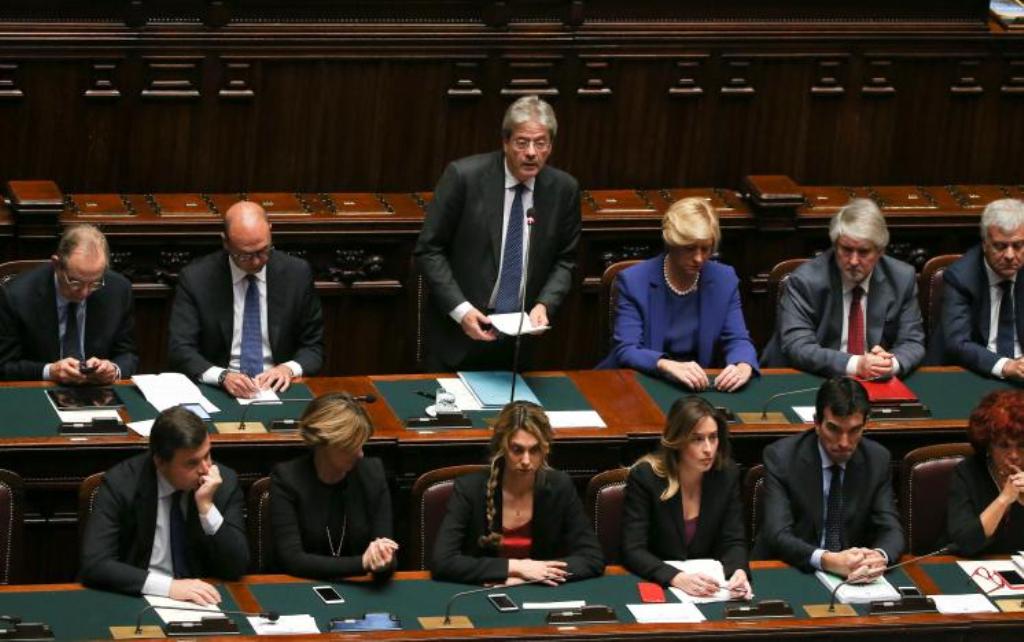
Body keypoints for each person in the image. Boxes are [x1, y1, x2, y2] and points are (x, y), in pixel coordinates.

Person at [414, 95, 582, 371]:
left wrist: (544, 304)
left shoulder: (563, 190)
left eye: (540, 143)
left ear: (550, 146)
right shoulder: (464, 177)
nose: (531, 152)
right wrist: (462, 310)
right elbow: (429, 249)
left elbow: (566, 258)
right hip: (460, 336)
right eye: (522, 142)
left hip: (523, 341)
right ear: (505, 142)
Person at [80, 406, 248, 604]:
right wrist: (169, 587)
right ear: (160, 462)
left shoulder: (223, 482)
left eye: (207, 455)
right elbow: (96, 564)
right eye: (192, 463)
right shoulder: (122, 484)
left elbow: (237, 566)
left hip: (205, 597)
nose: (205, 469)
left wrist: (207, 508)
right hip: (139, 597)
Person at [431, 401, 604, 584]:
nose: (526, 460)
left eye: (535, 450)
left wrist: (536, 575)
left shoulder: (560, 486)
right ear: (502, 447)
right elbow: (443, 562)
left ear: (545, 449)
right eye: (517, 450)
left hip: (542, 593)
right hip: (487, 592)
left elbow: (592, 558)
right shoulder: (470, 489)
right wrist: (517, 568)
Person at [598, 197, 758, 391]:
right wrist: (665, 365)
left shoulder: (723, 279)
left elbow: (738, 339)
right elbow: (626, 349)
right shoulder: (634, 281)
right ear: (672, 243)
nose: (699, 258)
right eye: (689, 249)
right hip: (641, 382)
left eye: (705, 249)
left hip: (696, 386)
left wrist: (742, 364)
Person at [168, 201, 324, 398]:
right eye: (245, 256)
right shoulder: (197, 279)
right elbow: (180, 350)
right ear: (225, 242)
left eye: (263, 250)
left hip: (279, 387)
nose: (257, 261)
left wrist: (288, 369)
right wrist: (222, 376)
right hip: (220, 389)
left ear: (270, 229)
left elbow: (314, 347)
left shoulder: (297, 274)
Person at [753, 377, 904, 580]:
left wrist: (878, 556)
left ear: (865, 424)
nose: (844, 442)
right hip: (791, 568)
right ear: (817, 423)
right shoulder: (782, 458)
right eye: (834, 429)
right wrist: (828, 560)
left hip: (852, 574)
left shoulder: (877, 459)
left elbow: (891, 529)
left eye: (854, 431)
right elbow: (777, 535)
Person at [761, 198, 925, 379]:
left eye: (863, 252)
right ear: (835, 246)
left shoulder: (901, 278)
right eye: (846, 249)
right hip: (813, 377)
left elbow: (912, 342)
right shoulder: (805, 280)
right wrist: (856, 365)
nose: (854, 261)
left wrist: (888, 365)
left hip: (876, 382)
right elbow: (798, 346)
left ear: (880, 252)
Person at [622, 396, 752, 597]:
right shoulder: (646, 477)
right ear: (678, 441)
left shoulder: (726, 475)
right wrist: (677, 577)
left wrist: (738, 571)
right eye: (697, 439)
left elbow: (733, 540)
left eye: (713, 437)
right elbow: (633, 550)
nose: (708, 449)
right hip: (658, 585)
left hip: (709, 588)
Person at [270, 393, 398, 579]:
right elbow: (292, 560)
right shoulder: (288, 479)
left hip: (362, 588)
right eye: (351, 446)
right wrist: (362, 563)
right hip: (302, 586)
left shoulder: (372, 473)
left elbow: (389, 551)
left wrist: (383, 559)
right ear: (325, 444)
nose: (361, 454)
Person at [0, 223, 137, 382]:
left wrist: (113, 369)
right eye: (75, 282)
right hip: (40, 390)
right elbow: (4, 366)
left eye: (94, 283)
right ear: (57, 265)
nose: (85, 292)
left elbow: (128, 355)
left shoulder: (118, 290)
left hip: (97, 391)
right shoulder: (16, 296)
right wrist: (49, 371)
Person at [937, 198, 1024, 379]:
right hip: (974, 371)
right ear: (984, 244)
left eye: (1018, 246)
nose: (1010, 255)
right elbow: (957, 343)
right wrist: (1005, 365)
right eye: (1000, 246)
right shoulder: (960, 277)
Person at [946, 389, 1024, 556]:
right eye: (1004, 446)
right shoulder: (967, 472)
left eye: (1022, 446)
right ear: (988, 445)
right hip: (973, 566)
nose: (1015, 455)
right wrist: (1004, 500)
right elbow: (966, 542)